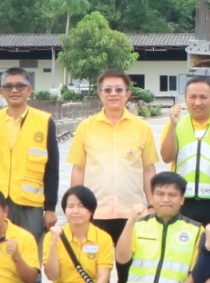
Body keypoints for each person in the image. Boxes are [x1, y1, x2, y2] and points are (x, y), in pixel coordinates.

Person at [67, 68, 157, 253]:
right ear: (100, 94)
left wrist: (152, 205)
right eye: (107, 90)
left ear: (128, 94)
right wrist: (76, 206)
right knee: (95, 266)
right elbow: (78, 169)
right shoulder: (85, 127)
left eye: (119, 89)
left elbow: (148, 170)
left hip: (132, 213)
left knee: (130, 266)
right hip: (95, 212)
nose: (113, 94)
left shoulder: (142, 128)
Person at [0, 68, 58, 239]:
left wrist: (50, 208)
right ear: (1, 91)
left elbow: (52, 169)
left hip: (29, 205)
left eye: (20, 86)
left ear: (29, 89)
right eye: (9, 86)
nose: (14, 90)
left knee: (29, 251)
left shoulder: (44, 121)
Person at [162, 75, 210, 227]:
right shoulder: (175, 124)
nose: (198, 102)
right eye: (192, 97)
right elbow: (167, 157)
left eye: (203, 97)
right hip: (183, 201)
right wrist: (173, 126)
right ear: (185, 99)